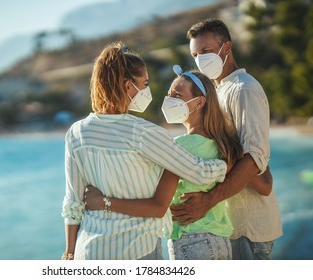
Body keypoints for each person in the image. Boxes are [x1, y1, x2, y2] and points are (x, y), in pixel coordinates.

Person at [61, 42, 228, 260]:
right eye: (145, 83)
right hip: (136, 250)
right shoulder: (143, 132)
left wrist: (69, 252)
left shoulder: (76, 132)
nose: (147, 90)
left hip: (89, 252)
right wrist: (228, 164)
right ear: (129, 87)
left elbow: (72, 203)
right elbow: (198, 171)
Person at [84, 66, 272, 260]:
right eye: (169, 94)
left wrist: (105, 201)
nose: (170, 100)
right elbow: (263, 180)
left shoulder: (180, 147)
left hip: (191, 240)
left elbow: (158, 203)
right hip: (221, 240)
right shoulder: (223, 144)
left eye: (177, 95)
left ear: (199, 102)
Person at [170, 18, 283, 260]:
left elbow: (254, 157)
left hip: (247, 226)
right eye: (195, 54)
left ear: (227, 48)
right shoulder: (217, 91)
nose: (200, 59)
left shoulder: (244, 89)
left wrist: (207, 201)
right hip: (225, 226)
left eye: (206, 51)